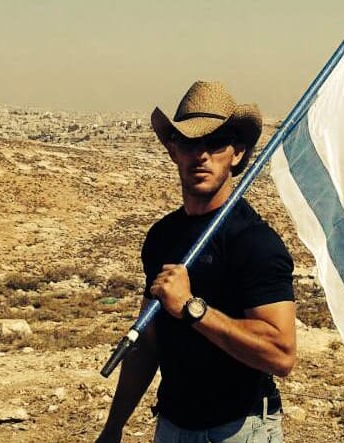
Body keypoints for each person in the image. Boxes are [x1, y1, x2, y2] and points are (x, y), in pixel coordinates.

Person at [96, 80, 296, 443]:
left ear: (237, 154)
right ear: (174, 151)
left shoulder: (255, 242)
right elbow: (148, 342)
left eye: (215, 142)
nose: (201, 155)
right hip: (173, 426)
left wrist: (192, 309)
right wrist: (114, 426)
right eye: (189, 142)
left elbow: (281, 355)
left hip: (240, 429)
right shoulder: (162, 237)